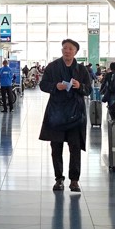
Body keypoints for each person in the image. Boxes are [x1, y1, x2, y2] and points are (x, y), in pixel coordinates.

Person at [39, 39, 91, 194]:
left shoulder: (81, 70)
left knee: (75, 147)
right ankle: (59, 178)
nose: (66, 51)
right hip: (57, 114)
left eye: (70, 48)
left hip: (76, 115)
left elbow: (88, 89)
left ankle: (74, 180)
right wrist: (55, 86)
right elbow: (43, 85)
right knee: (56, 147)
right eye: (64, 48)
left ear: (75, 52)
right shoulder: (53, 67)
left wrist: (79, 86)